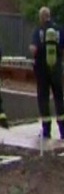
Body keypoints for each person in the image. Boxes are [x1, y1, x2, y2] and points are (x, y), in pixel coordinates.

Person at [30, 7, 64, 139]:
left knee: (43, 99)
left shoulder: (38, 30)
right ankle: (63, 130)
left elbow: (33, 49)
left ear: (41, 17)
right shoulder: (59, 29)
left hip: (42, 70)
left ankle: (46, 131)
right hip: (56, 69)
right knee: (59, 98)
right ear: (49, 16)